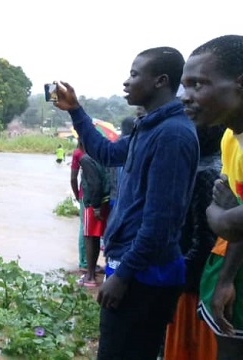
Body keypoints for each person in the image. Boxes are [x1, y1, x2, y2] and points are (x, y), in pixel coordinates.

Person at [53, 46, 199, 359]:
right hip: (133, 269)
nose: (126, 82)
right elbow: (106, 153)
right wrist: (75, 110)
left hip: (145, 276)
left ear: (160, 81)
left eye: (134, 74)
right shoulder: (148, 128)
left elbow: (161, 222)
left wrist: (122, 276)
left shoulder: (172, 135)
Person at [181, 34, 243, 359]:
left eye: (198, 85)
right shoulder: (230, 141)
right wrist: (226, 280)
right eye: (185, 86)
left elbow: (226, 218)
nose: (186, 97)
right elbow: (230, 225)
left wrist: (223, 216)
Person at [163, 124, 224, 360]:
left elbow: (204, 242)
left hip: (193, 288)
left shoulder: (204, 172)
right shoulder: (209, 165)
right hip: (194, 279)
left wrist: (176, 280)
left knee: (190, 348)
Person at [78, 152, 111, 287]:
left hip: (93, 203)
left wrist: (95, 206)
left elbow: (94, 182)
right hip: (106, 200)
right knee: (102, 236)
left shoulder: (86, 159)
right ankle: (106, 270)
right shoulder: (104, 156)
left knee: (90, 237)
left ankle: (90, 276)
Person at [71, 139, 88, 271]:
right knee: (92, 230)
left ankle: (84, 262)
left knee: (84, 227)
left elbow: (73, 178)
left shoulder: (78, 153)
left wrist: (77, 195)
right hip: (99, 195)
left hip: (85, 194)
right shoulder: (96, 151)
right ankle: (86, 261)